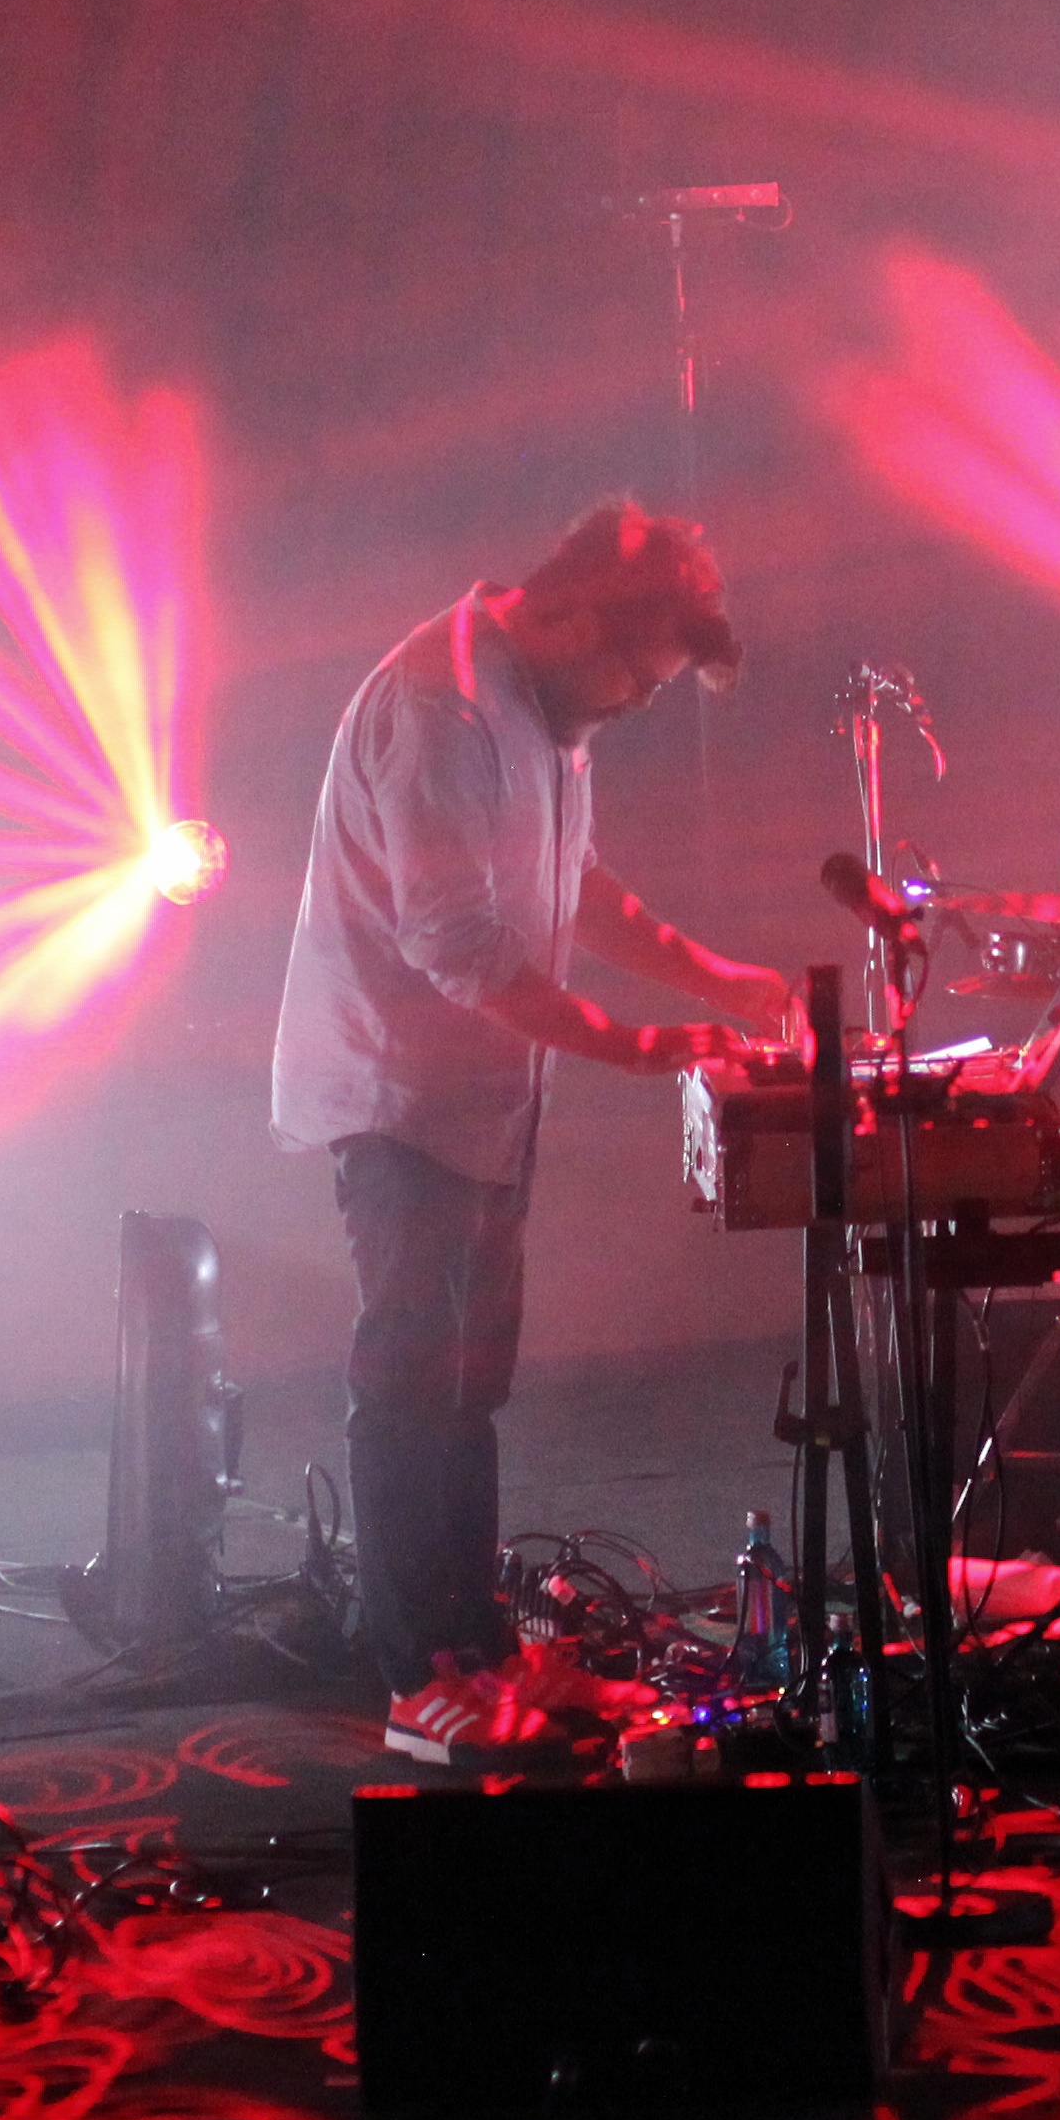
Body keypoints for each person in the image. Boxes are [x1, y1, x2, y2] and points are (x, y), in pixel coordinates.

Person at [271, 501, 789, 1752]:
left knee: (468, 1383)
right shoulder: (442, 707)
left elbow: (576, 886)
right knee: (409, 1380)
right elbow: (458, 950)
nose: (632, 707)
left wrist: (720, 979)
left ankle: (479, 1650)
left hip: (486, 1094)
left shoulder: (547, 705)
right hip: (401, 1096)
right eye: (631, 678)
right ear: (567, 614)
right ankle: (417, 1677)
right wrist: (645, 1045)